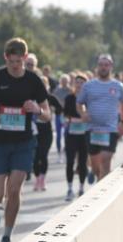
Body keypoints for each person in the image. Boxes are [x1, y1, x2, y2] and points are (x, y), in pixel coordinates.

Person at [0, 38, 50, 242]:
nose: (15, 65)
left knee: (14, 189)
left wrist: (37, 109)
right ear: (6, 58)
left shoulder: (34, 81)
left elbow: (48, 115)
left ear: (25, 58)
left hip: (24, 143)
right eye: (11, 61)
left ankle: (7, 236)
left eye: (19, 61)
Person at [77, 54, 123, 182]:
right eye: (101, 65)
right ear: (97, 67)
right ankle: (95, 174)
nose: (103, 68)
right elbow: (79, 103)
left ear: (111, 67)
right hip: (93, 129)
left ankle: (101, 191)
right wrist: (83, 114)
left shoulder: (118, 86)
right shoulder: (88, 86)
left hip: (110, 129)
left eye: (106, 65)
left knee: (105, 159)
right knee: (95, 164)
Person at [32, 75, 63, 192]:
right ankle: (37, 179)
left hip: (46, 131)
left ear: (47, 86)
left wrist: (52, 110)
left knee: (43, 155)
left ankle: (42, 179)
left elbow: (60, 109)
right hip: (34, 131)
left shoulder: (50, 98)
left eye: (44, 85)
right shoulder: (31, 98)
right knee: (35, 157)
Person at [63, 72, 90, 201]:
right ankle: (69, 189)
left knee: (83, 162)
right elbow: (66, 114)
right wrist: (73, 119)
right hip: (72, 133)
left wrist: (85, 119)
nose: (79, 85)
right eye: (77, 82)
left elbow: (91, 115)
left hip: (85, 134)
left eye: (82, 83)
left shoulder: (89, 98)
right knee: (69, 161)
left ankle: (81, 188)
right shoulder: (69, 98)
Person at [52, 74, 71, 157]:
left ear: (68, 81)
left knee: (67, 133)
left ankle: (66, 148)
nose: (64, 82)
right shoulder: (57, 90)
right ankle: (59, 150)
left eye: (65, 81)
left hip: (67, 115)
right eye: (62, 81)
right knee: (58, 134)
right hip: (59, 114)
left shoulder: (70, 90)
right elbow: (53, 102)